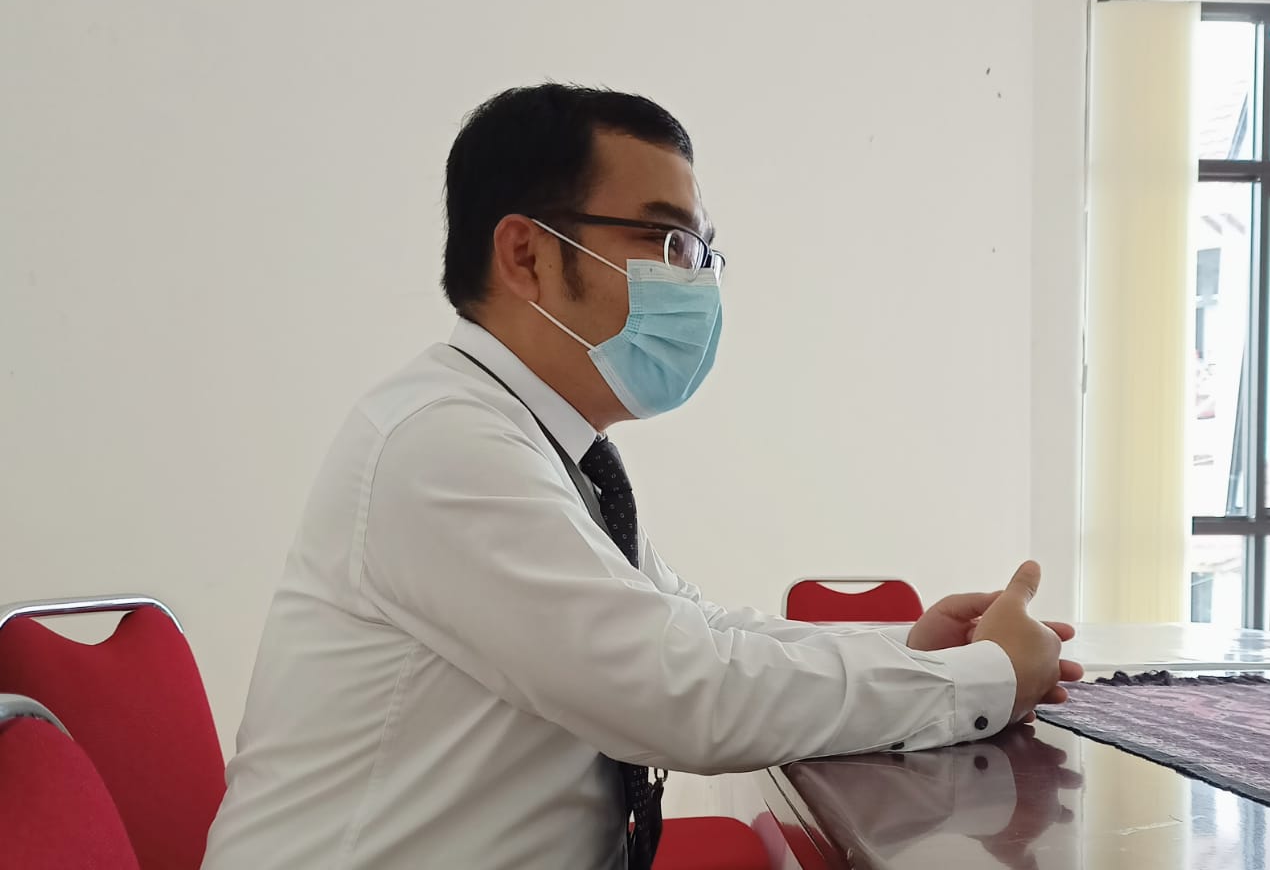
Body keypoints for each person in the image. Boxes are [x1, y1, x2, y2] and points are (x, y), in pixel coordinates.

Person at [201, 83, 1083, 870]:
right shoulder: (442, 445)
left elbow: (696, 633)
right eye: (668, 240)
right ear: (526, 255)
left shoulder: (542, 444)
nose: (696, 281)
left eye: (701, 251)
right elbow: (681, 696)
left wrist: (916, 652)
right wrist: (986, 680)